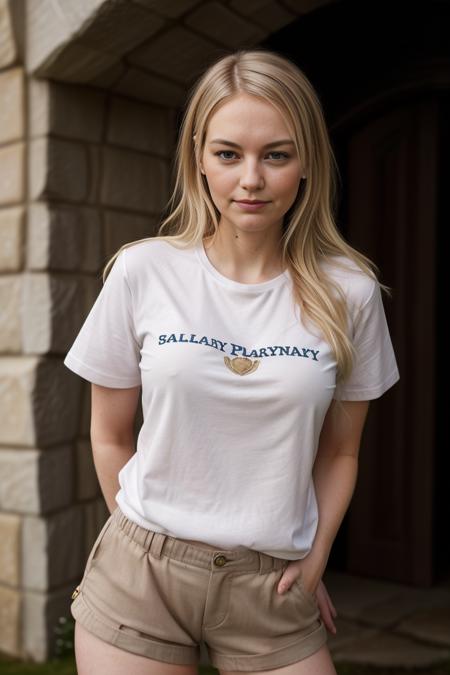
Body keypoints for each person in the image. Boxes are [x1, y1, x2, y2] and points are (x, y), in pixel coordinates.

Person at [64, 48, 400, 675]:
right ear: (199, 159)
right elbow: (109, 434)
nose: (251, 179)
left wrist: (316, 553)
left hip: (269, 587)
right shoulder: (144, 271)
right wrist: (147, 550)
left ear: (306, 166)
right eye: (228, 154)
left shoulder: (350, 292)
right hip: (142, 576)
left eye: (276, 154)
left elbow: (340, 452)